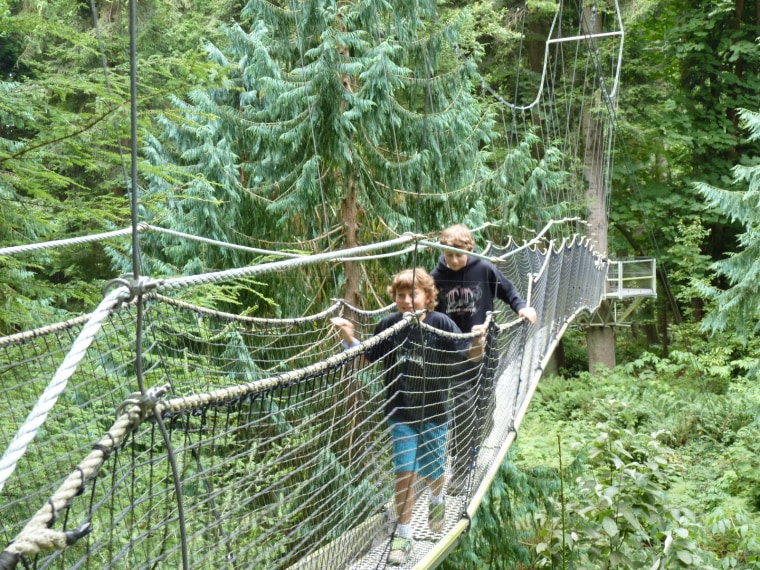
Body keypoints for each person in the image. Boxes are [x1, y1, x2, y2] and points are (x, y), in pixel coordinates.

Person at [332, 268, 485, 566]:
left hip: (435, 413)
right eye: (400, 295)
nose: (406, 300)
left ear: (427, 297)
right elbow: (364, 357)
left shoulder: (441, 323)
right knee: (405, 473)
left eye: (412, 294)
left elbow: (473, 355)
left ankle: (437, 500)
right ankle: (403, 536)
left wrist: (479, 339)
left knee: (433, 472)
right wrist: (348, 337)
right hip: (400, 412)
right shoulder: (389, 325)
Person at [430, 224, 537, 495]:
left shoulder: (483, 268)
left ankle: (478, 435)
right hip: (455, 350)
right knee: (463, 406)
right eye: (449, 254)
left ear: (470, 249)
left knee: (485, 406)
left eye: (459, 255)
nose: (453, 260)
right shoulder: (436, 277)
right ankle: (460, 469)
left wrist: (522, 307)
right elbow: (427, 307)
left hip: (487, 346)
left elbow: (507, 289)